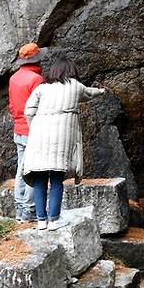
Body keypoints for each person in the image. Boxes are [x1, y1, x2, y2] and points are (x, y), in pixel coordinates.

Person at [23, 56, 106, 230]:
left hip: (39, 136)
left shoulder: (42, 88)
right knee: (56, 180)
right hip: (61, 141)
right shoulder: (75, 86)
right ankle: (54, 220)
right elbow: (89, 93)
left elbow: (29, 111)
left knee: (39, 178)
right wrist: (101, 91)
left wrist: (34, 129)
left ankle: (41, 220)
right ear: (71, 71)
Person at [8, 42, 47, 222]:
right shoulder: (36, 80)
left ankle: (19, 209)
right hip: (34, 130)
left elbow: (11, 106)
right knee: (35, 171)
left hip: (18, 129)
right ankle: (29, 211)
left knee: (21, 170)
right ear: (37, 60)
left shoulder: (14, 78)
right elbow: (42, 108)